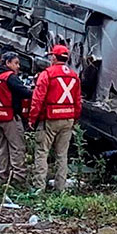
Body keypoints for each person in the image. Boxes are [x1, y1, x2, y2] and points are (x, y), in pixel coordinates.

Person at [29, 44, 82, 192]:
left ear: (53, 57)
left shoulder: (46, 74)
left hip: (49, 119)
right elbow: (78, 101)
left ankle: (39, 188)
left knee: (42, 152)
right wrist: (74, 118)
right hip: (68, 119)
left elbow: (37, 99)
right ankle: (60, 189)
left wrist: (32, 119)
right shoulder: (74, 75)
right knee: (62, 155)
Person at [0, 51, 32, 186]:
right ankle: (19, 180)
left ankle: (1, 179)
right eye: (16, 63)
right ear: (8, 63)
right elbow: (25, 92)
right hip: (9, 117)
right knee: (17, 147)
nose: (18, 67)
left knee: (3, 148)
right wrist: (36, 91)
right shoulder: (10, 77)